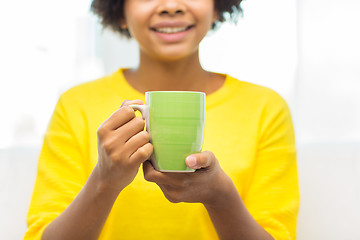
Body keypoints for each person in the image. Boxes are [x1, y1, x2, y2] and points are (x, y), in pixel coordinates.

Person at [25, 0, 300, 239]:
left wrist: (221, 198)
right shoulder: (76, 106)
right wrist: (104, 181)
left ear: (217, 6)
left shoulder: (266, 108)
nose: (171, 6)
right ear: (119, 10)